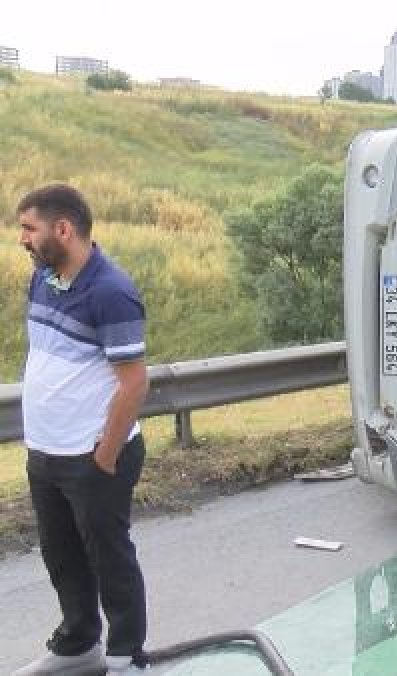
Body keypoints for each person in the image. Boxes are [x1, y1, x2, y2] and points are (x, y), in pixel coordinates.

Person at [14, 184, 150, 674]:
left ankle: (126, 656)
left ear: (63, 229)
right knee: (62, 556)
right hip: (46, 452)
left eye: (30, 228)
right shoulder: (43, 279)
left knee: (110, 559)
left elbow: (134, 384)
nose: (23, 239)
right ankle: (78, 646)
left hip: (92, 456)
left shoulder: (111, 291)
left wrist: (106, 456)